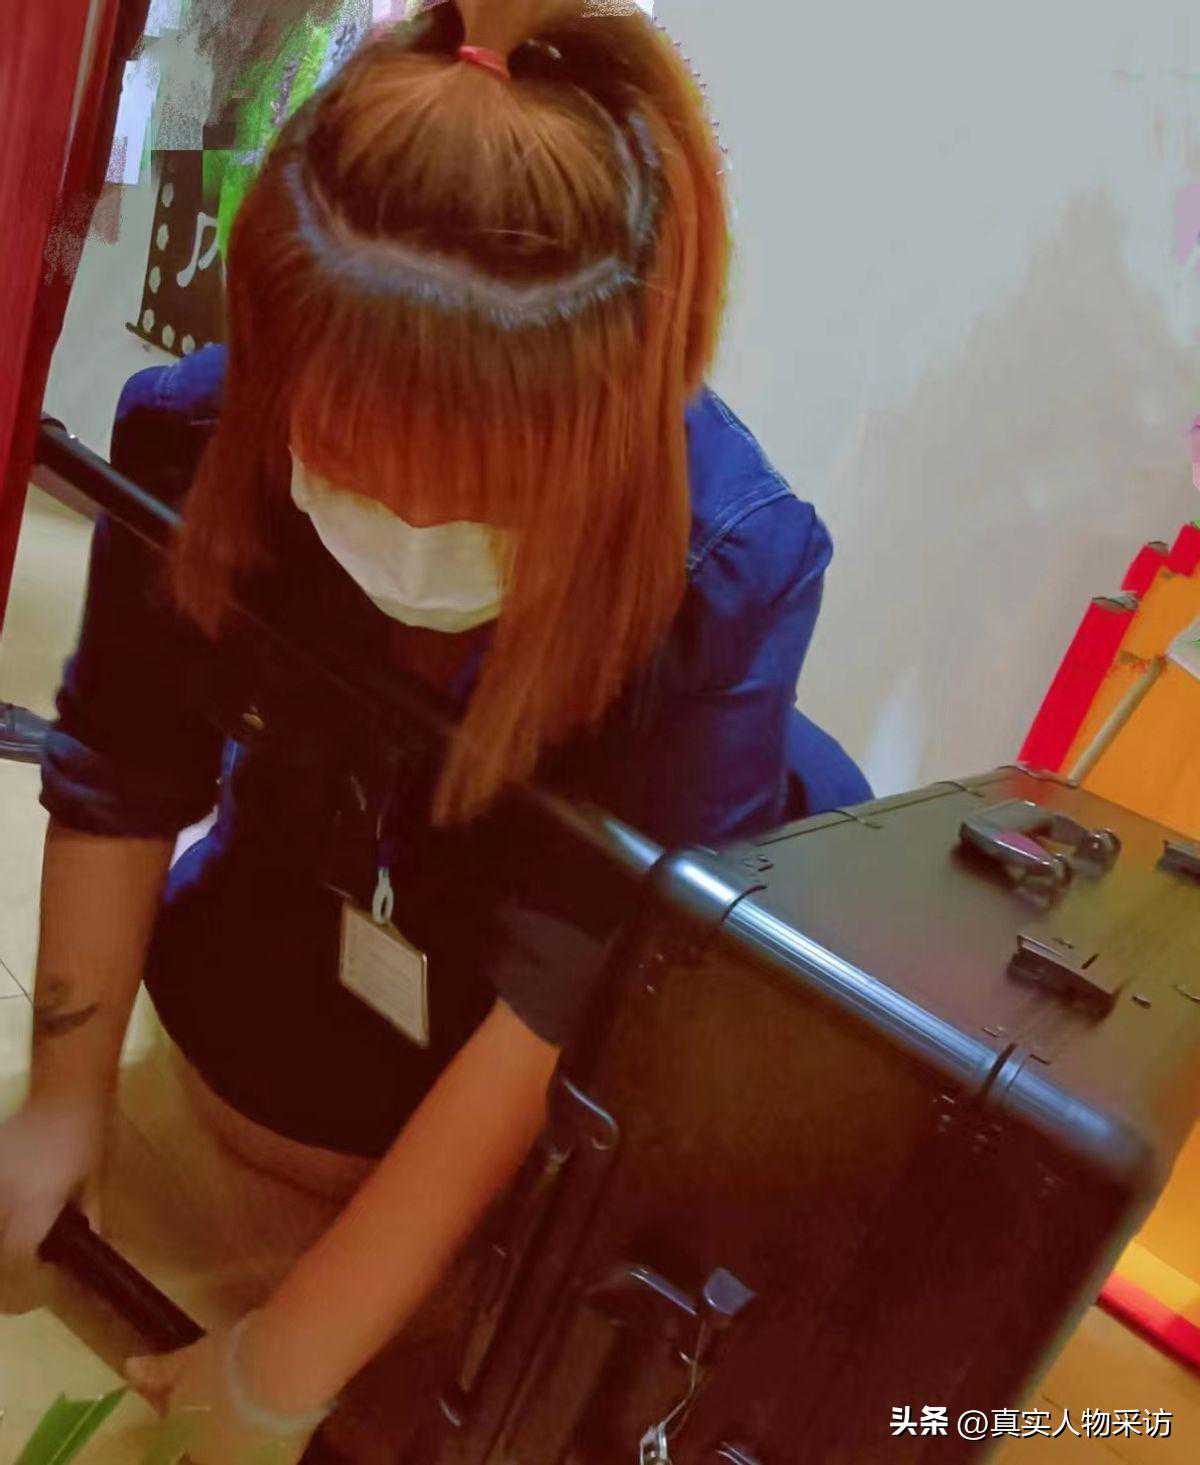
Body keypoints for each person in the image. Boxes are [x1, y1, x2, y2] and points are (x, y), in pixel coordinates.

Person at [0, 2, 868, 1460]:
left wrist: (282, 1368)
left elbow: (567, 992)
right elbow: (121, 760)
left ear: (599, 435)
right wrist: (62, 1101)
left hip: (553, 1036)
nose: (405, 526)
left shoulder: (725, 572)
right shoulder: (196, 436)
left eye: (476, 496)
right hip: (299, 939)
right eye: (349, 460)